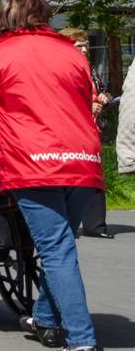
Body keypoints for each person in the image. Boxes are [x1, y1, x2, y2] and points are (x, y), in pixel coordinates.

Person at [0, 0, 105, 351]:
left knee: (55, 249)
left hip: (34, 161)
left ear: (4, 19)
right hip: (83, 159)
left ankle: (82, 342)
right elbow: (86, 100)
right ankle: (45, 320)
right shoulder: (71, 53)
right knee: (62, 246)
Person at [61, 28, 113, 239]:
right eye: (79, 45)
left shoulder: (89, 69)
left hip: (90, 130)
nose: (84, 49)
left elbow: (103, 89)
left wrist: (104, 97)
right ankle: (66, 224)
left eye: (86, 46)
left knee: (93, 173)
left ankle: (95, 225)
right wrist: (86, 106)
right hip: (68, 131)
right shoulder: (61, 69)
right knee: (69, 176)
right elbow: (60, 99)